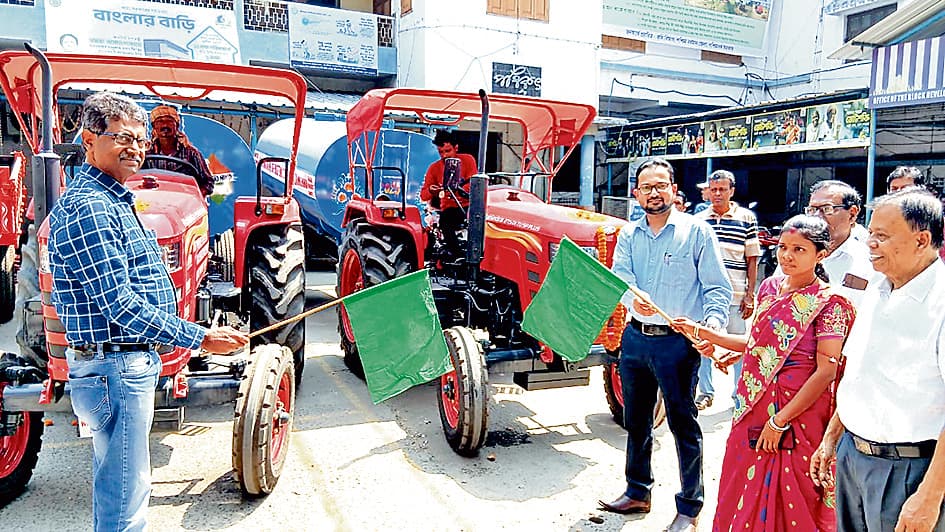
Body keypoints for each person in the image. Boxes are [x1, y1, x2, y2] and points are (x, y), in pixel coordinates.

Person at [47, 92, 249, 531]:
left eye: (140, 140)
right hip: (116, 363)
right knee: (126, 498)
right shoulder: (92, 207)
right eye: (122, 138)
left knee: (123, 486)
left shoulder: (115, 197)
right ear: (88, 140)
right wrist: (198, 337)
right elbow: (118, 302)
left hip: (119, 361)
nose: (135, 148)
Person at [673, 214, 856, 532]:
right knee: (745, 486)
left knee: (796, 498)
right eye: (783, 247)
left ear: (820, 255)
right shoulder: (771, 288)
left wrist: (779, 420)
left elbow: (827, 371)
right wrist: (707, 335)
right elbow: (758, 342)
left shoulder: (831, 303)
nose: (787, 255)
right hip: (753, 408)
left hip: (798, 416)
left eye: (799, 249)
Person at [598, 157, 732, 532]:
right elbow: (620, 277)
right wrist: (630, 298)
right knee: (636, 422)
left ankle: (690, 506)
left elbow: (717, 288)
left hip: (678, 345)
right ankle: (638, 491)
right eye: (647, 187)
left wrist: (712, 330)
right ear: (636, 193)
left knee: (683, 424)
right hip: (636, 339)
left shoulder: (697, 233)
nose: (654, 193)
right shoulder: (629, 234)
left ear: (674, 190)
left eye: (661, 185)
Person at [811, 189, 945, 532]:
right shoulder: (877, 289)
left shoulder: (940, 303)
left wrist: (929, 497)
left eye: (882, 236)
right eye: (870, 233)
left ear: (922, 239)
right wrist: (832, 438)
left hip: (909, 472)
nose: (870, 243)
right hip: (853, 459)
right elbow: (858, 374)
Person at [694, 170, 761, 411]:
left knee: (739, 345)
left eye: (722, 189)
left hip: (735, 294)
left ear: (732, 191)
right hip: (706, 296)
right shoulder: (700, 220)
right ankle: (706, 392)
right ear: (708, 192)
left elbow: (752, 259)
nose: (718, 194)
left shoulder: (746, 218)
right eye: (714, 189)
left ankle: (739, 394)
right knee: (703, 343)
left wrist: (749, 295)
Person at [803, 180, 874, 304]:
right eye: (812, 210)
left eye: (827, 209)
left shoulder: (869, 261)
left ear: (852, 214)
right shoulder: (795, 253)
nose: (817, 217)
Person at [419, 129, 477, 257]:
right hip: (450, 208)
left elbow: (473, 183)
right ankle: (458, 256)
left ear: (456, 148)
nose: (444, 155)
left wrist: (458, 189)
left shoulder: (468, 160)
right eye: (441, 152)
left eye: (447, 151)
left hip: (469, 205)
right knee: (446, 223)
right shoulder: (434, 168)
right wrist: (431, 190)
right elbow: (423, 195)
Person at [143, 104, 214, 196]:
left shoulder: (191, 153)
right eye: (160, 121)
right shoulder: (146, 153)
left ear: (176, 125)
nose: (165, 125)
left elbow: (208, 183)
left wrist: (195, 197)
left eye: (169, 121)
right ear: (154, 127)